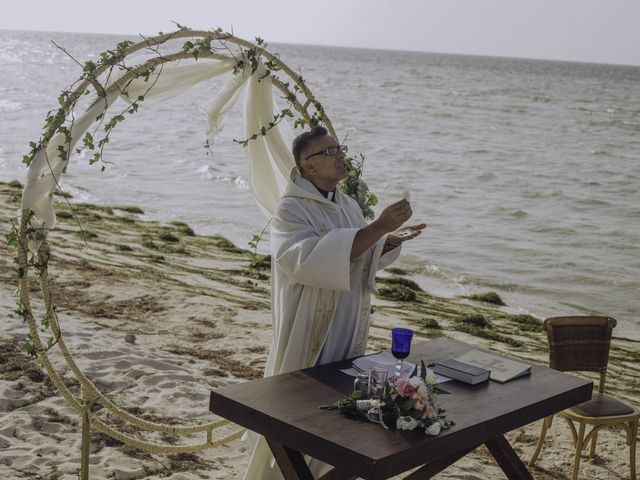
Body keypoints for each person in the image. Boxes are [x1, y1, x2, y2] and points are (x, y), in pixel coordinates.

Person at [243, 126, 426, 479]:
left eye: (339, 148)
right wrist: (379, 226)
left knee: (340, 411)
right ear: (307, 165)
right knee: (299, 409)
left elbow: (359, 255)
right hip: (310, 323)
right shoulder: (291, 209)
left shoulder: (348, 204)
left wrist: (386, 241)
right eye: (329, 152)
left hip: (348, 317)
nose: (340, 155)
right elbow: (307, 261)